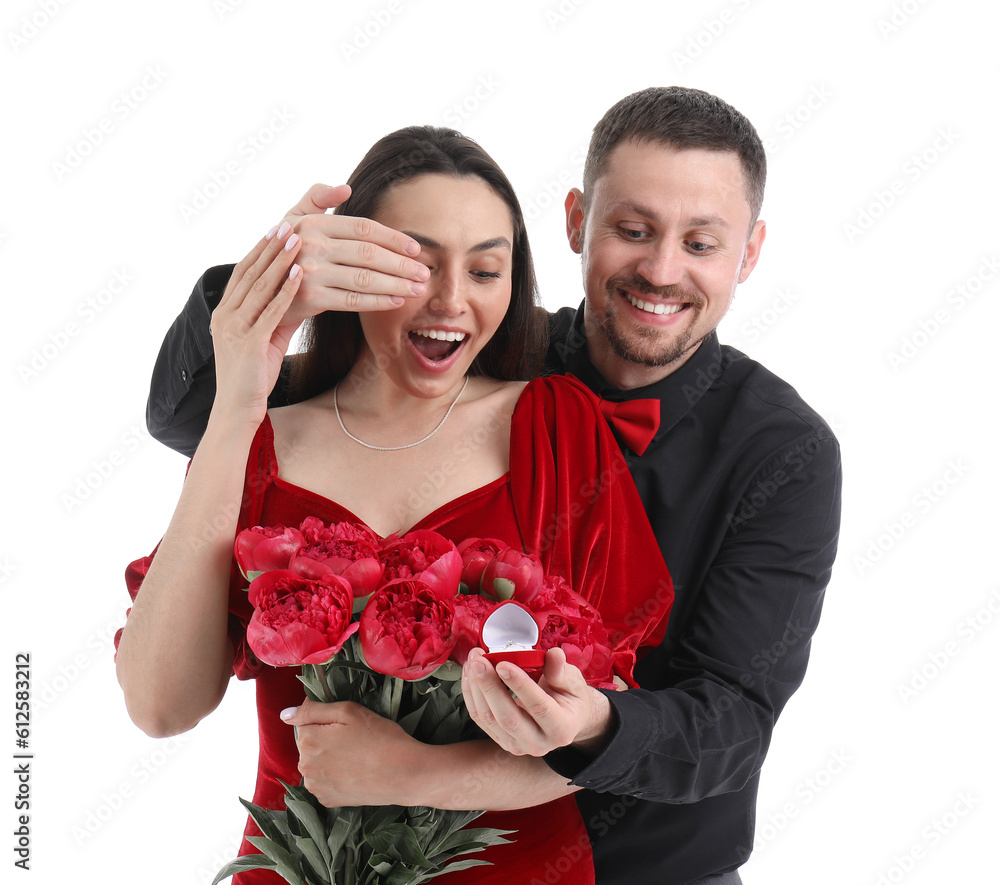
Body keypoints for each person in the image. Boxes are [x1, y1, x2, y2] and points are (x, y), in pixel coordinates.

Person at [141, 87, 842, 884]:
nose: (660, 268)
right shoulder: (473, 346)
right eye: (633, 229)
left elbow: (732, 718)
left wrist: (562, 729)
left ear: (749, 254)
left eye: (702, 243)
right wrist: (278, 278)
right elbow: (199, 411)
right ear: (577, 221)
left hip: (657, 864)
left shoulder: (786, 449)